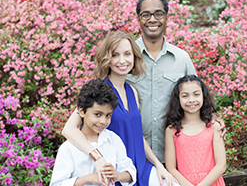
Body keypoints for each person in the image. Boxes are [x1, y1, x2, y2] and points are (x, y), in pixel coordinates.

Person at [62, 31, 179, 186]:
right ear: (106, 59)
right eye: (115, 55)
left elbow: (137, 134)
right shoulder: (99, 91)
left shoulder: (132, 91)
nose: (122, 60)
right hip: (115, 170)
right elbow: (68, 129)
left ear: (134, 57)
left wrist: (159, 166)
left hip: (140, 168)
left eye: (127, 54)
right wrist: (97, 157)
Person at [126, 0, 227, 164]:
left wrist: (213, 118)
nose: (152, 19)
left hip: (175, 156)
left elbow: (197, 97)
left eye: (158, 14)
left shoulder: (181, 58)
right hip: (132, 153)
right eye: (146, 14)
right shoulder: (126, 57)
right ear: (138, 19)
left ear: (166, 18)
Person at [50, 79, 136, 186]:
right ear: (81, 111)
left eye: (108, 115)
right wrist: (87, 179)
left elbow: (130, 171)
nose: (103, 121)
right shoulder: (68, 148)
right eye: (98, 114)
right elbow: (56, 184)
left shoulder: (113, 140)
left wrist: (116, 175)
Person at [165, 75, 226, 186]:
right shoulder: (171, 130)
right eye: (185, 96)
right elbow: (171, 167)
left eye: (196, 94)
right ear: (178, 99)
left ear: (203, 96)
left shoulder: (214, 127)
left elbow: (221, 165)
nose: (191, 100)